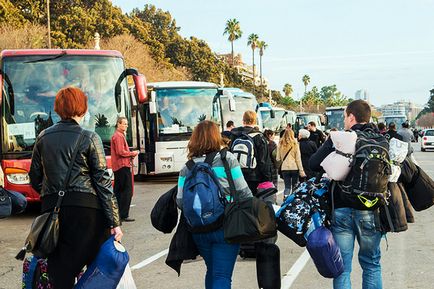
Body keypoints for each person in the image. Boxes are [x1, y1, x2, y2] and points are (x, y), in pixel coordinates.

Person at [29, 87, 122, 289]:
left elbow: (34, 177)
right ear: (82, 108)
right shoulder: (90, 138)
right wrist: (115, 222)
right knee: (97, 272)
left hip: (53, 212)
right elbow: (103, 183)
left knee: (60, 275)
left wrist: (51, 195)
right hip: (88, 213)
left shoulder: (43, 137)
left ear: (58, 109)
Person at [309, 99, 384, 289]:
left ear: (351, 117)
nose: (344, 121)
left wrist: (329, 141)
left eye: (344, 117)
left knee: (342, 267)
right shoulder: (381, 140)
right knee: (372, 264)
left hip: (342, 209)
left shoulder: (343, 138)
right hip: (370, 209)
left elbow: (313, 164)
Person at [176, 120, 253, 289]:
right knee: (222, 275)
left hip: (199, 229)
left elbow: (180, 201)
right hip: (226, 226)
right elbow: (244, 192)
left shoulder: (187, 167)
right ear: (215, 136)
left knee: (212, 270)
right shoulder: (227, 159)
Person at [230, 111, 272, 194]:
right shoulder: (259, 137)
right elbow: (263, 160)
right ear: (255, 121)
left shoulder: (234, 135)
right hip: (253, 176)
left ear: (243, 121)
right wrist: (267, 178)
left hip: (236, 174)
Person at [111, 117, 139, 222]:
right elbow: (120, 152)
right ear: (118, 124)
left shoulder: (118, 135)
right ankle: (123, 214)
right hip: (122, 166)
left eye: (127, 124)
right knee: (126, 191)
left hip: (118, 166)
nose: (126, 125)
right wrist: (133, 153)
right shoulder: (118, 136)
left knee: (118, 191)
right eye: (124, 124)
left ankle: (117, 214)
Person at [277, 129, 306, 197]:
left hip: (284, 168)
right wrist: (301, 171)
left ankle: (285, 197)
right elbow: (298, 159)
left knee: (287, 186)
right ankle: (293, 200)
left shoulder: (280, 144)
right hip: (294, 167)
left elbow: (278, 158)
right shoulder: (295, 144)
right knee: (294, 186)